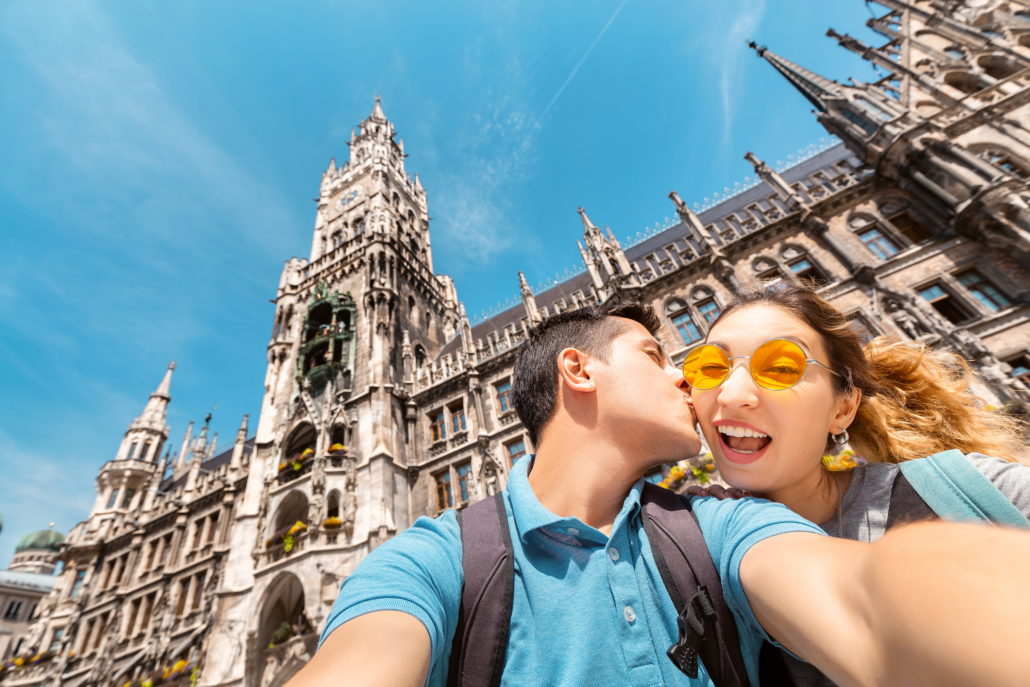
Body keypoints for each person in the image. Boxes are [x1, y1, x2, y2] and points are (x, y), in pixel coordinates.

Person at [287, 303, 1030, 687]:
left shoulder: (716, 524)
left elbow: (863, 599)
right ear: (578, 371)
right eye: (657, 355)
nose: (692, 380)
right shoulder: (433, 563)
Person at [684, 283, 1030, 685]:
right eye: (709, 368)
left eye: (780, 367)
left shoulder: (968, 489)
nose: (731, 393)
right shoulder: (682, 558)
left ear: (843, 408)